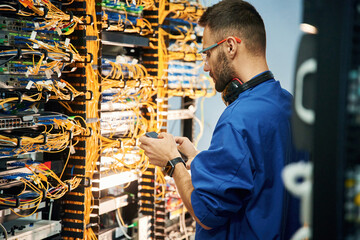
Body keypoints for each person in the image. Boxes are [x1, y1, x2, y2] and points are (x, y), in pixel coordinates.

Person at [139, 0, 299, 239]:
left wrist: (172, 163)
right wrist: (195, 159)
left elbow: (206, 212)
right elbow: (256, 173)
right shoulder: (287, 103)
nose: (205, 66)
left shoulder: (238, 119)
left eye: (208, 53)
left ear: (231, 47)